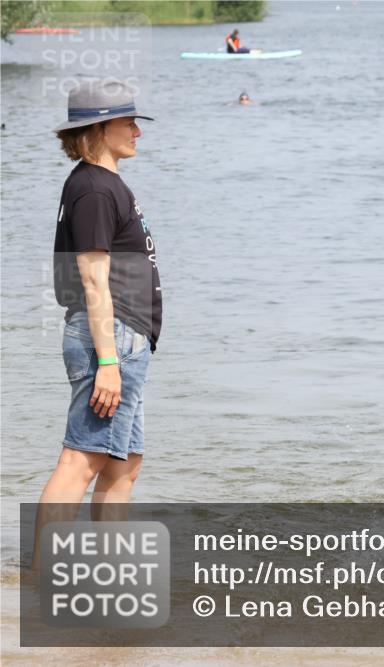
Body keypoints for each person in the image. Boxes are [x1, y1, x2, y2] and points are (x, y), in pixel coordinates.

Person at [34, 78, 162, 565]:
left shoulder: (103, 184)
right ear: (99, 127)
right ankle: (46, 578)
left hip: (126, 341)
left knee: (125, 463)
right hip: (109, 342)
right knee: (80, 461)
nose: (137, 132)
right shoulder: (93, 188)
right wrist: (107, 360)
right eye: (129, 122)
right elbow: (92, 280)